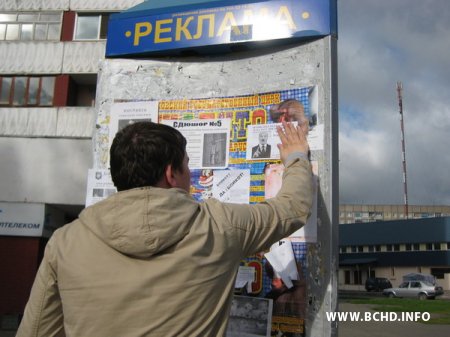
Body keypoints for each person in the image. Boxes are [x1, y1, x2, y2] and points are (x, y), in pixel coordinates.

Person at [17, 120, 312, 337]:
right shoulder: (218, 225)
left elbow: (36, 330)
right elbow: (291, 208)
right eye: (187, 165)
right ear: (171, 174)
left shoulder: (65, 242)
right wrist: (296, 156)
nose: (191, 176)